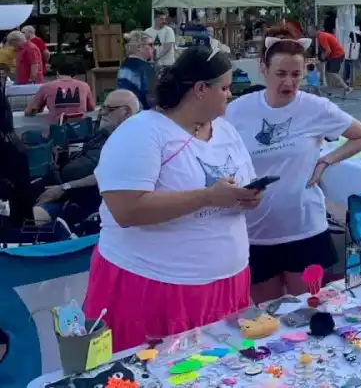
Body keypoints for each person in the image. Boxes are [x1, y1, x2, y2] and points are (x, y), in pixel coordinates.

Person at [83, 47, 262, 350]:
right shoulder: (141, 132)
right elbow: (126, 210)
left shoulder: (226, 130)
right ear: (200, 90)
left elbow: (234, 186)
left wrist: (244, 197)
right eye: (225, 88)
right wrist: (208, 197)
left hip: (225, 284)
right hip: (155, 288)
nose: (229, 95)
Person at [226, 30, 361, 302]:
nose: (289, 82)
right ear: (263, 70)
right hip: (256, 232)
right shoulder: (238, 110)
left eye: (296, 75)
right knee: (266, 315)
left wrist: (326, 160)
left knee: (309, 309)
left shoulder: (316, 108)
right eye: (281, 73)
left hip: (306, 228)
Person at [33, 90, 140, 226]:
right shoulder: (103, 133)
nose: (102, 113)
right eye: (102, 107)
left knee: (27, 217)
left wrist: (64, 188)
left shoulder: (131, 141)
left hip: (80, 201)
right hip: (62, 188)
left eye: (109, 109)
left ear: (126, 112)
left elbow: (103, 175)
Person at [24, 61, 96, 125]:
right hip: (80, 132)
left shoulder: (46, 87)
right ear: (75, 75)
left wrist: (41, 106)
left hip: (56, 134)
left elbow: (29, 112)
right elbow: (91, 107)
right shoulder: (85, 86)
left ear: (57, 73)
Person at [117, 30, 156, 110]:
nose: (154, 48)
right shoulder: (145, 68)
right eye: (151, 45)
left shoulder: (124, 64)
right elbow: (152, 97)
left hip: (124, 111)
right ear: (139, 47)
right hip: (141, 113)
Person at [316, 27, 351, 96]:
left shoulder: (321, 37)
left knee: (332, 73)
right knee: (328, 73)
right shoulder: (323, 35)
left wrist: (322, 58)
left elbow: (328, 51)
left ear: (316, 31)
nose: (309, 32)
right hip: (333, 55)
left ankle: (347, 88)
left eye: (311, 30)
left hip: (337, 55)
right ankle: (329, 91)